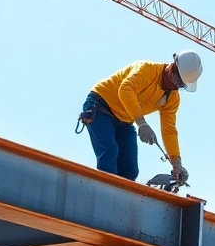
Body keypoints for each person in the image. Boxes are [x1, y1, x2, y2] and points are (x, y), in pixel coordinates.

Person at [79, 51, 203, 184]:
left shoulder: (172, 98)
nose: (177, 86)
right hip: (100, 106)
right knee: (109, 153)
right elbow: (126, 89)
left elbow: (169, 129)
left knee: (130, 170)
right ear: (172, 66)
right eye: (178, 79)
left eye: (182, 85)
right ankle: (104, 193)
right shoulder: (146, 69)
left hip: (124, 120)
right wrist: (141, 123)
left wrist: (176, 162)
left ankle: (120, 199)